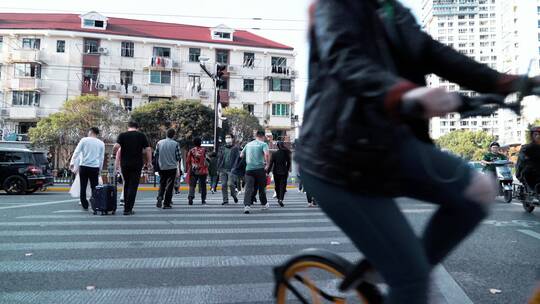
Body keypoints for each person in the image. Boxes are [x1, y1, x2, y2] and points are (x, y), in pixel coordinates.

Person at [297, 1, 540, 303]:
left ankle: (397, 268)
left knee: (478, 189)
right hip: (338, 156)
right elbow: (346, 59)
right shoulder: (337, 6)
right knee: (411, 279)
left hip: (391, 145)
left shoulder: (393, 11)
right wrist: (403, 93)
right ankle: (405, 275)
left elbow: (438, 55)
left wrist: (507, 82)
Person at [113, 121, 152, 215]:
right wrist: (149, 162)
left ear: (128, 127)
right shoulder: (141, 135)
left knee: (126, 184)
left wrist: (114, 155)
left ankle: (126, 207)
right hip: (137, 164)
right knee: (133, 186)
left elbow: (116, 146)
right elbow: (148, 149)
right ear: (137, 127)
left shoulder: (122, 135)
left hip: (125, 164)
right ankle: (128, 209)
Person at [70, 127, 105, 211]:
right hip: (94, 167)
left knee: (83, 186)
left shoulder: (84, 140)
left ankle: (84, 204)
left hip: (84, 166)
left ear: (90, 132)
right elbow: (101, 158)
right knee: (94, 187)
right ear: (97, 134)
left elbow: (77, 152)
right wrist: (100, 169)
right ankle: (95, 203)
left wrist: (72, 162)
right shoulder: (101, 143)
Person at [242, 130, 270, 214]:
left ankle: (247, 206)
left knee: (248, 188)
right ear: (263, 137)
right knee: (262, 187)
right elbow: (267, 154)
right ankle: (264, 204)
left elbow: (241, 155)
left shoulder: (248, 144)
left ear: (256, 136)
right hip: (259, 169)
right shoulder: (263, 144)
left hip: (249, 169)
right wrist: (267, 164)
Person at [154, 128, 182, 209]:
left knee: (162, 183)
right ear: (174, 135)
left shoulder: (159, 143)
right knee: (170, 186)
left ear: (166, 134)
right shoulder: (175, 144)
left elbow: (156, 154)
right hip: (172, 167)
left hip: (162, 166)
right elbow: (178, 157)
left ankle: (160, 196)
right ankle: (166, 203)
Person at [267, 141, 292, 207]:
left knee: (277, 186)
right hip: (284, 172)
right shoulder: (286, 153)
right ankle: (281, 199)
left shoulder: (274, 154)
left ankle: (278, 197)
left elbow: (271, 164)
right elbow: (289, 162)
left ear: (277, 146)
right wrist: (287, 169)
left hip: (276, 172)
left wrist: (267, 172)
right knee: (282, 186)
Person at [218, 134, 240, 205]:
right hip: (223, 169)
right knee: (223, 185)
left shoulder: (235, 148)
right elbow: (220, 158)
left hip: (232, 169)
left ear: (232, 139)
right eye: (226, 137)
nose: (227, 139)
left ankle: (234, 195)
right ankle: (225, 200)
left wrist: (235, 167)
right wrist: (218, 168)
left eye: (229, 137)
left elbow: (237, 158)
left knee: (230, 184)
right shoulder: (222, 148)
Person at [516, 126, 540, 192]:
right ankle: (534, 192)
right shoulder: (526, 148)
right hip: (527, 172)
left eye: (539, 134)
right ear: (532, 136)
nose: (538, 136)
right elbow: (522, 159)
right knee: (529, 169)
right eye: (536, 134)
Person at [186, 137, 209, 205]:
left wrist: (191, 166)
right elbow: (207, 160)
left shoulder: (191, 150)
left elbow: (188, 160)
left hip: (194, 170)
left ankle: (190, 197)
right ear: (200, 143)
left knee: (192, 185)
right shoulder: (204, 150)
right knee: (203, 185)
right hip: (203, 170)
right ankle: (203, 199)